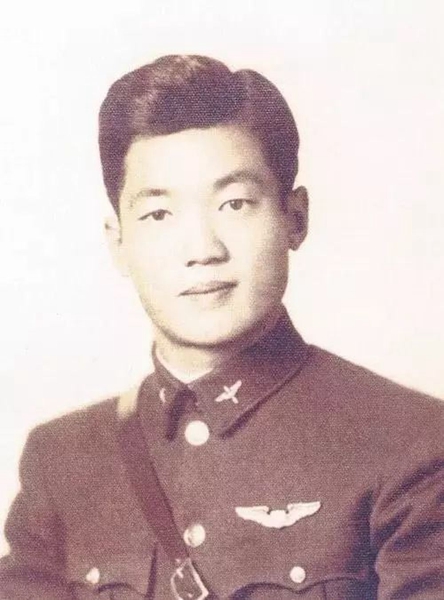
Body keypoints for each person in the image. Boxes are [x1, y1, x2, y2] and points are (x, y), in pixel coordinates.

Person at [1, 54, 443, 600]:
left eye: (234, 204)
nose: (202, 249)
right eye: (159, 215)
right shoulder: (63, 462)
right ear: (118, 243)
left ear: (294, 218)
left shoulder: (412, 445)